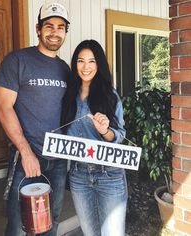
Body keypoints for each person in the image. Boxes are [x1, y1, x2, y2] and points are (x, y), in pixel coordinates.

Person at [0, 2, 70, 236]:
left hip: (57, 160)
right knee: (18, 225)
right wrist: (26, 153)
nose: (54, 32)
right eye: (49, 26)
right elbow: (4, 108)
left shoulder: (65, 69)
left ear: (66, 32)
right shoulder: (18, 60)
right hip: (25, 158)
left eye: (60, 27)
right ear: (38, 29)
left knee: (50, 221)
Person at [61, 39, 127, 236]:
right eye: (81, 61)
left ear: (99, 64)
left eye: (92, 61)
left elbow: (120, 135)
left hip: (110, 175)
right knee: (90, 233)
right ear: (75, 64)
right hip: (79, 175)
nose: (86, 67)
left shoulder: (110, 95)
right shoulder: (67, 96)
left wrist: (105, 130)